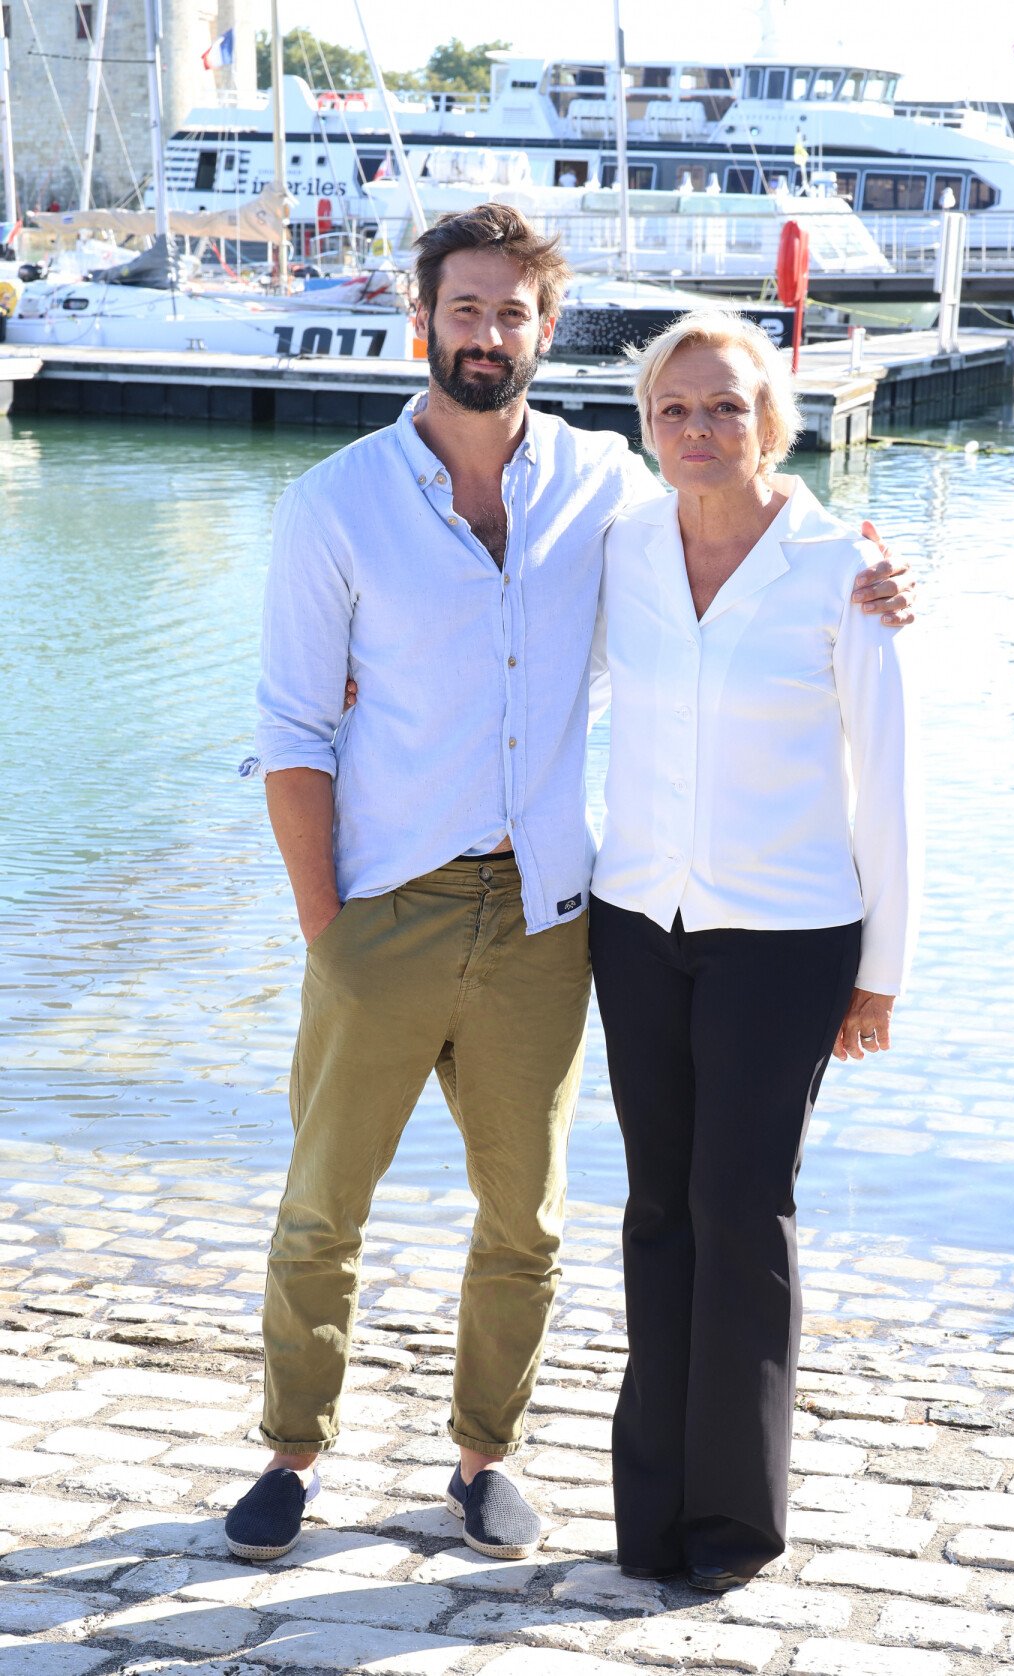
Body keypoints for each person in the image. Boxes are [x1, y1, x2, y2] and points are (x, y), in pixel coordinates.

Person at [226, 203, 913, 1566]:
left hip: (550, 913)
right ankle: (292, 1456)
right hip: (387, 907)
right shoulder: (336, 503)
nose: (488, 335)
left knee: (526, 1220)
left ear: (548, 329)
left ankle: (484, 1460)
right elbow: (291, 734)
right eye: (464, 310)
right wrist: (328, 928)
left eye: (513, 313)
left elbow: (748, 516)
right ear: (421, 319)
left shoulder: (605, 488)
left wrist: (873, 571)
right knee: (322, 1207)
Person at [587, 310, 921, 1593]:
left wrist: (881, 967)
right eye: (675, 409)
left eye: (726, 405)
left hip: (788, 936)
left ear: (772, 418)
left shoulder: (843, 563)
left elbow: (888, 776)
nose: (700, 429)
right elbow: (538, 674)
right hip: (637, 922)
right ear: (648, 427)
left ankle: (734, 1523)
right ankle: (649, 1516)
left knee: (743, 1208)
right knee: (658, 1207)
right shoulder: (620, 550)